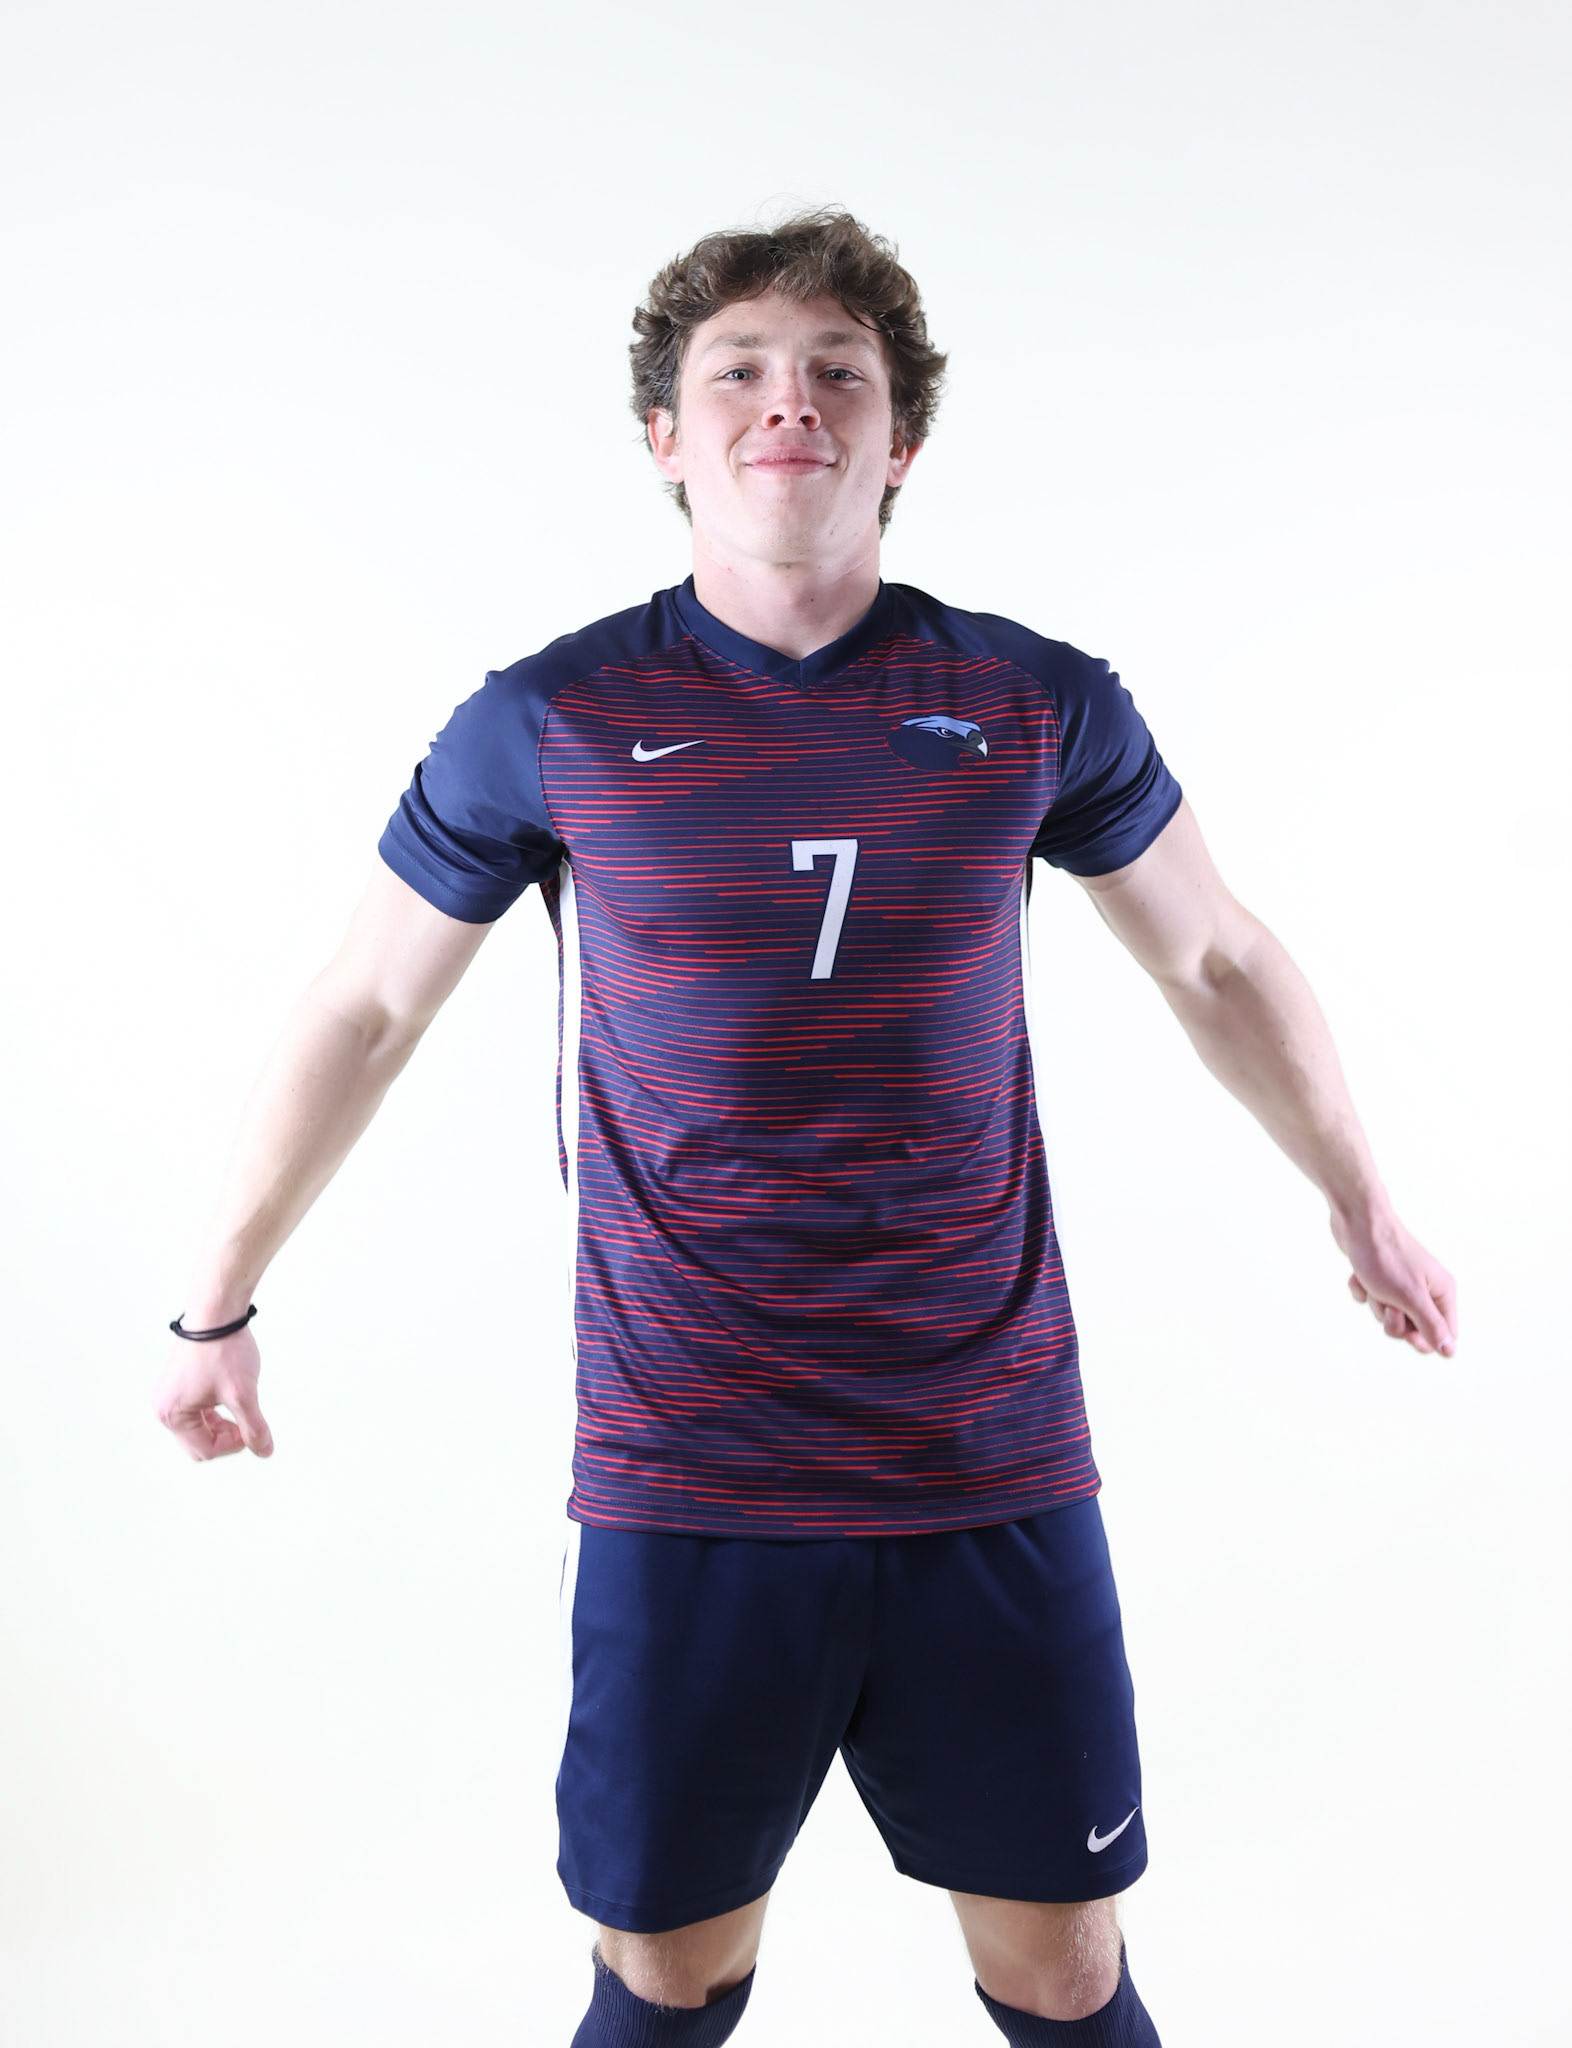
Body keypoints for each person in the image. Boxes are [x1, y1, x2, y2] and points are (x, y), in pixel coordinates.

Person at [154, 208, 1457, 2048]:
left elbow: (1223, 957)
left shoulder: (1027, 701)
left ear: (899, 441)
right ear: (667, 441)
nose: (792, 403)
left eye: (839, 373)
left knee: (1067, 1966)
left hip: (985, 1455)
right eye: (739, 374)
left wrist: (1364, 1206)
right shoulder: (555, 716)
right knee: (667, 1975)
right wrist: (218, 1300)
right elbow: (367, 1003)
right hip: (693, 1467)